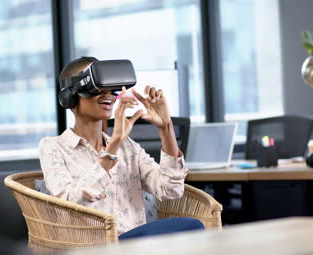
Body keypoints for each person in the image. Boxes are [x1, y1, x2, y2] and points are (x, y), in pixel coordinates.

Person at [38, 57, 203, 240]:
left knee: (191, 228)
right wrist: (113, 146)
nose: (108, 94)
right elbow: (71, 205)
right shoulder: (52, 147)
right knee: (190, 227)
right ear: (69, 96)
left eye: (111, 88)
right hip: (95, 248)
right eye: (97, 87)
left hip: (137, 247)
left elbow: (171, 190)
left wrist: (166, 127)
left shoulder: (127, 147)